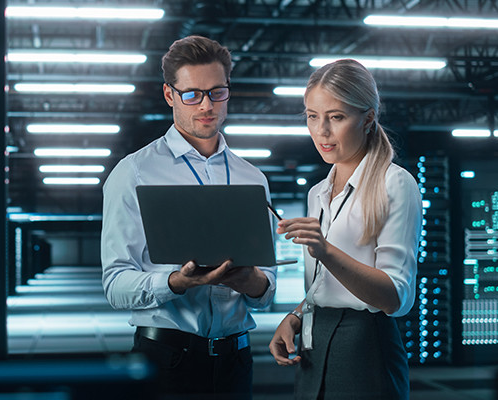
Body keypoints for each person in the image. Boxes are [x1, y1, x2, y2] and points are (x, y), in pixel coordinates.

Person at [101, 35, 277, 399]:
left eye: (217, 92)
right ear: (170, 95)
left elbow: (266, 292)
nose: (207, 105)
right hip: (167, 362)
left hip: (237, 362)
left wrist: (253, 282)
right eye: (192, 94)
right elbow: (115, 284)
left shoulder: (252, 178)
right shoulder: (134, 172)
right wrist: (176, 283)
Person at [268, 59, 422, 400]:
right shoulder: (318, 193)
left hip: (365, 347)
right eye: (312, 116)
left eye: (336, 117)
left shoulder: (395, 184)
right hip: (314, 340)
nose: (321, 131)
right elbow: (325, 287)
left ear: (367, 119)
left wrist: (326, 250)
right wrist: (296, 315)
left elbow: (394, 297)